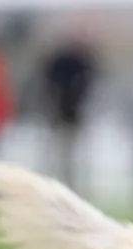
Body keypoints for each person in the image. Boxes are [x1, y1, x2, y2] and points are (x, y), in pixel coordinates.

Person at [41, 33, 97, 190]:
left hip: (73, 115)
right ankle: (56, 185)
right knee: (58, 154)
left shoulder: (82, 64)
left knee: (72, 156)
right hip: (61, 114)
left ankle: (70, 186)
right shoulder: (68, 64)